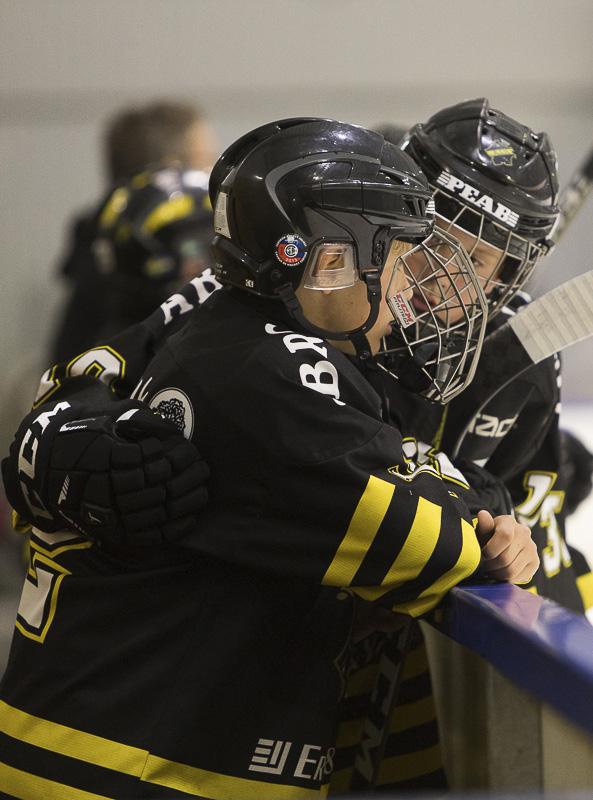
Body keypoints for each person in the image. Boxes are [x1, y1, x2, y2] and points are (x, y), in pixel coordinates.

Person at [0, 118, 537, 799]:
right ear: (332, 256)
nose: (424, 286)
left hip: (107, 731)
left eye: (476, 257)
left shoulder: (242, 331)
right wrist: (475, 511)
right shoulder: (276, 366)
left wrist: (481, 500)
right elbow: (431, 550)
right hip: (136, 762)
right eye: (411, 254)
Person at [49, 99, 218, 364]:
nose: (213, 175)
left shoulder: (98, 258)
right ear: (169, 177)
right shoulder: (138, 305)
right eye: (205, 160)